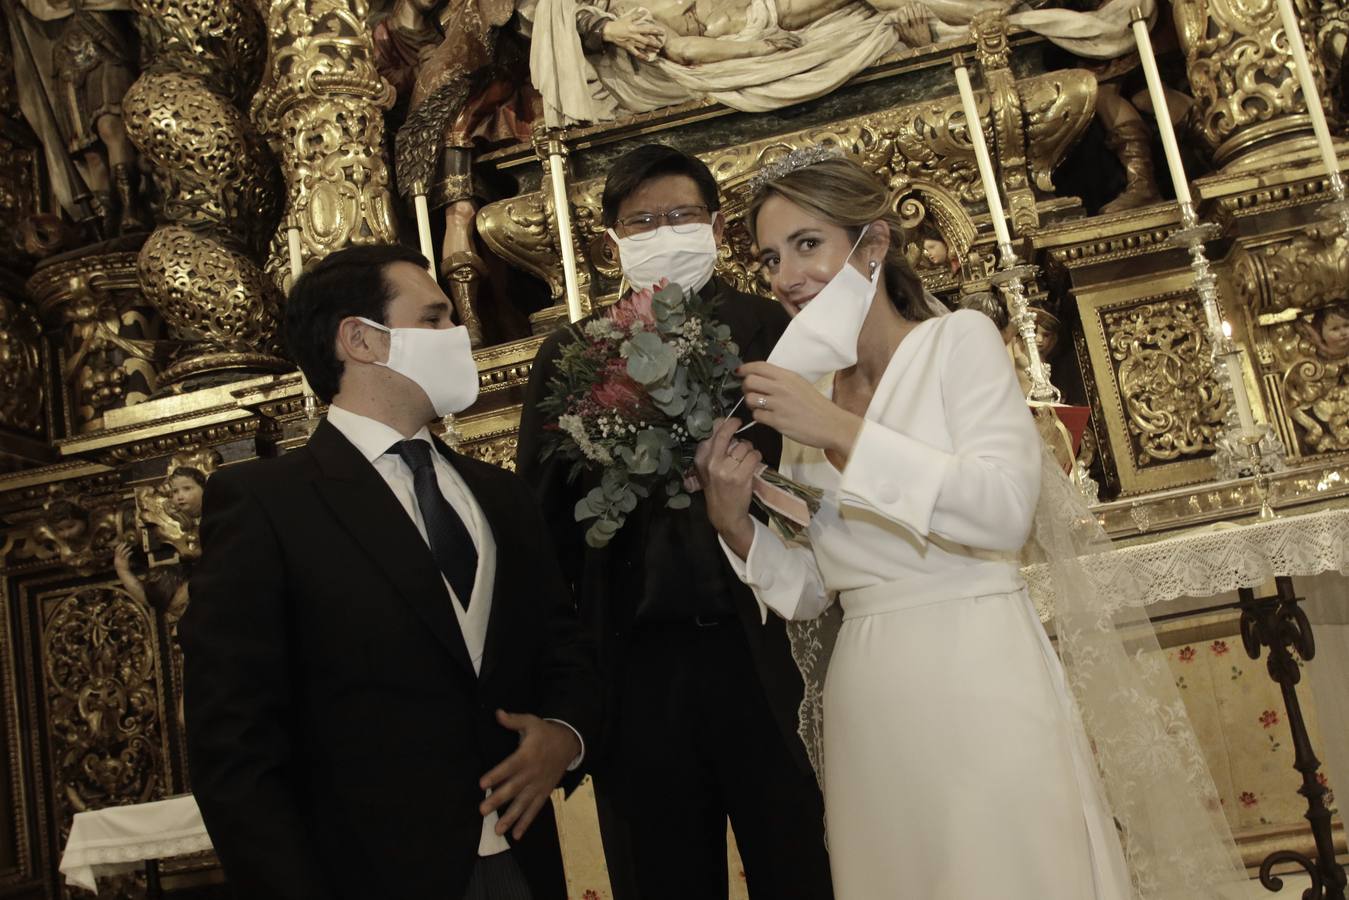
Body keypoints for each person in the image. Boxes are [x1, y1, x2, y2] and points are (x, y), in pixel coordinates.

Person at [695, 153, 1245, 899]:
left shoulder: (958, 343)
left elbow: (1000, 511)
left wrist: (836, 429)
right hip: (868, 689)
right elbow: (817, 588)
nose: (785, 275)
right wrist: (735, 525)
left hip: (976, 661)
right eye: (768, 256)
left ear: (874, 244)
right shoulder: (810, 394)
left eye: (807, 244)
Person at [182, 243, 601, 900]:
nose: (458, 334)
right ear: (360, 339)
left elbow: (562, 645)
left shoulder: (501, 495)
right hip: (365, 873)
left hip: (522, 863)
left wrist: (564, 736)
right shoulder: (267, 504)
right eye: (433, 319)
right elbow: (233, 741)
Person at [516, 145, 832, 900]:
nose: (666, 231)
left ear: (717, 226)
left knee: (805, 866)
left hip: (767, 654)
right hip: (637, 669)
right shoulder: (572, 354)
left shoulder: (776, 331)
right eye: (644, 221)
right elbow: (543, 524)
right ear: (611, 242)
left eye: (682, 216)